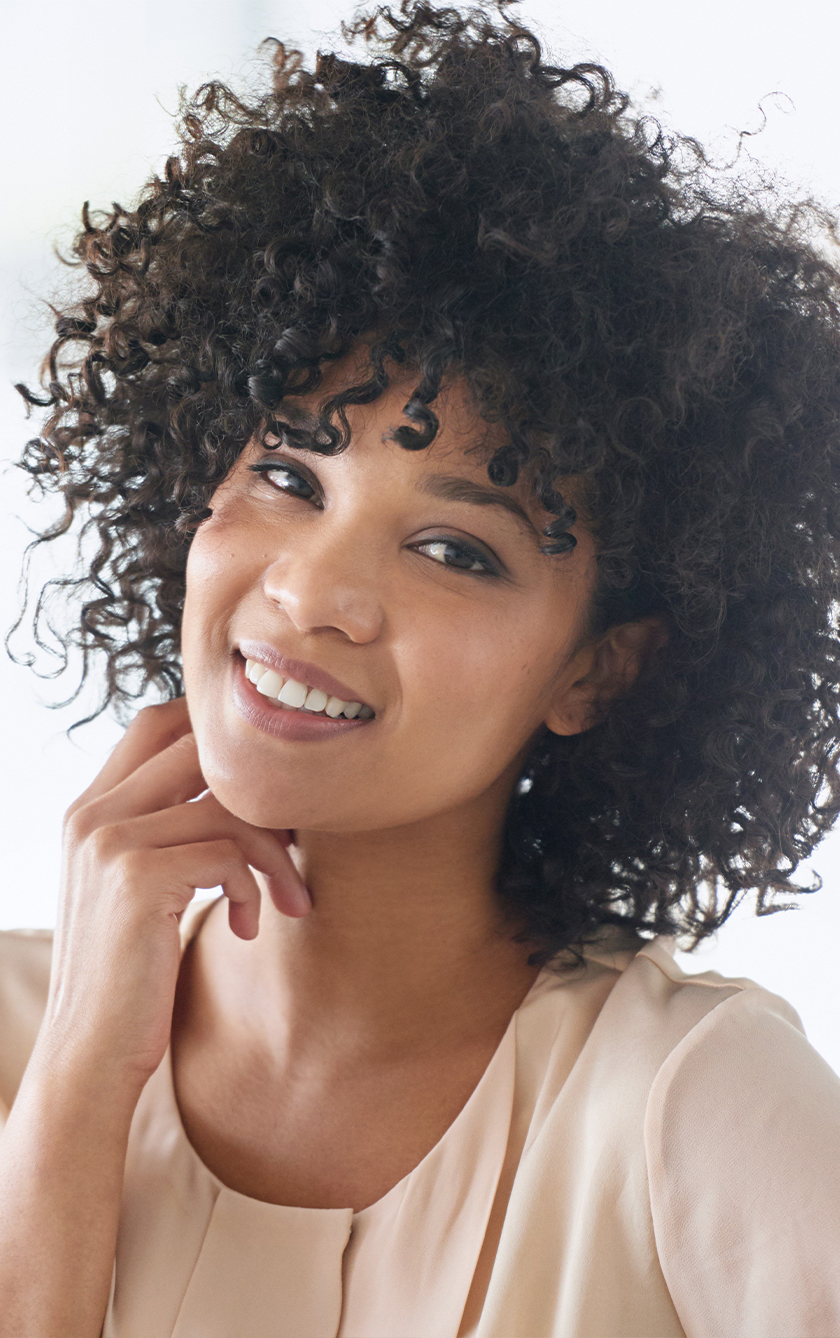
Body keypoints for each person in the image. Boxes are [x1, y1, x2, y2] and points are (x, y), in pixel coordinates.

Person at [2, 2, 840, 1334]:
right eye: (287, 472)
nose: (312, 590)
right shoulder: (20, 1027)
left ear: (601, 671)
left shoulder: (685, 1100)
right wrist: (76, 1090)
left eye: (454, 548)